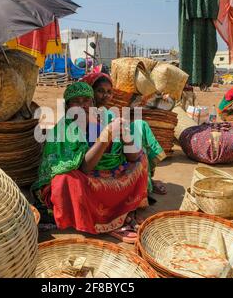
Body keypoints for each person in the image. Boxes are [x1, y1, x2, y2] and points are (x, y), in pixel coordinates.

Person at [31, 82, 149, 243]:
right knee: (65, 181)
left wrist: (125, 135)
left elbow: (133, 158)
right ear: (67, 107)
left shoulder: (101, 121)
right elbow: (85, 168)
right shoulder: (63, 130)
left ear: (93, 104)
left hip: (108, 174)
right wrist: (106, 136)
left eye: (86, 100)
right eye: (76, 101)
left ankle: (122, 212)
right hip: (85, 179)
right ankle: (109, 221)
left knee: (142, 159)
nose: (82, 105)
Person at [81, 72, 168, 196]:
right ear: (90, 91)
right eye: (100, 91)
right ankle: (144, 182)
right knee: (137, 148)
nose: (105, 95)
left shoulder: (107, 113)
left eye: (109, 92)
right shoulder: (82, 113)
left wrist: (123, 132)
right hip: (98, 156)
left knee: (140, 126)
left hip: (112, 148)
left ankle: (148, 178)